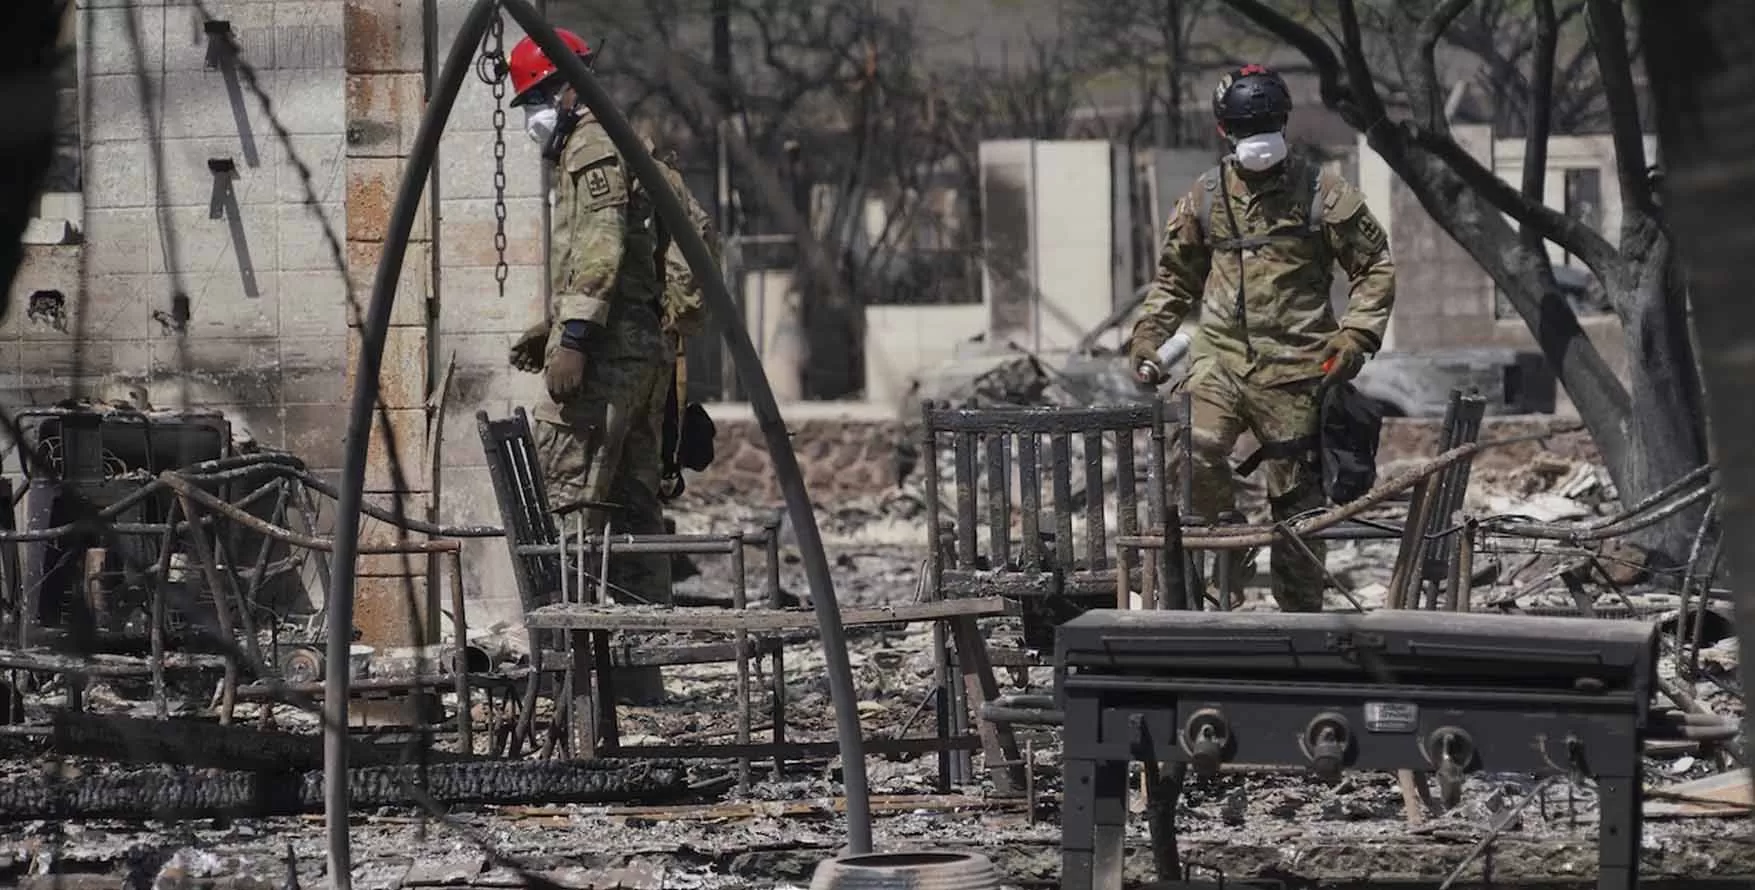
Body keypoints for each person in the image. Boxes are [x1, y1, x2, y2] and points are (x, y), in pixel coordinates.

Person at [1127, 64, 1395, 613]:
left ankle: (1300, 627)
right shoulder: (1204, 198)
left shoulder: (1325, 194)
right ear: (1225, 131)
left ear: (1285, 123)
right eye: (1246, 127)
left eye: (1266, 124)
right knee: (1194, 448)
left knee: (1299, 511)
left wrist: (1357, 336)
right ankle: (1230, 548)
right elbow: (1175, 278)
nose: (1257, 140)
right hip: (1220, 360)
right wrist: (1150, 334)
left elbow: (1375, 268)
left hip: (1301, 368)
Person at [501, 28, 714, 700]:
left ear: (566, 85)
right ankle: (637, 676)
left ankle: (570, 682)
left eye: (536, 95)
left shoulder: (592, 146)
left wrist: (574, 340)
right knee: (631, 514)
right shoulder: (625, 138)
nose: (534, 111)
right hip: (644, 354)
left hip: (610, 360)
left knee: (566, 506)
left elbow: (600, 248)